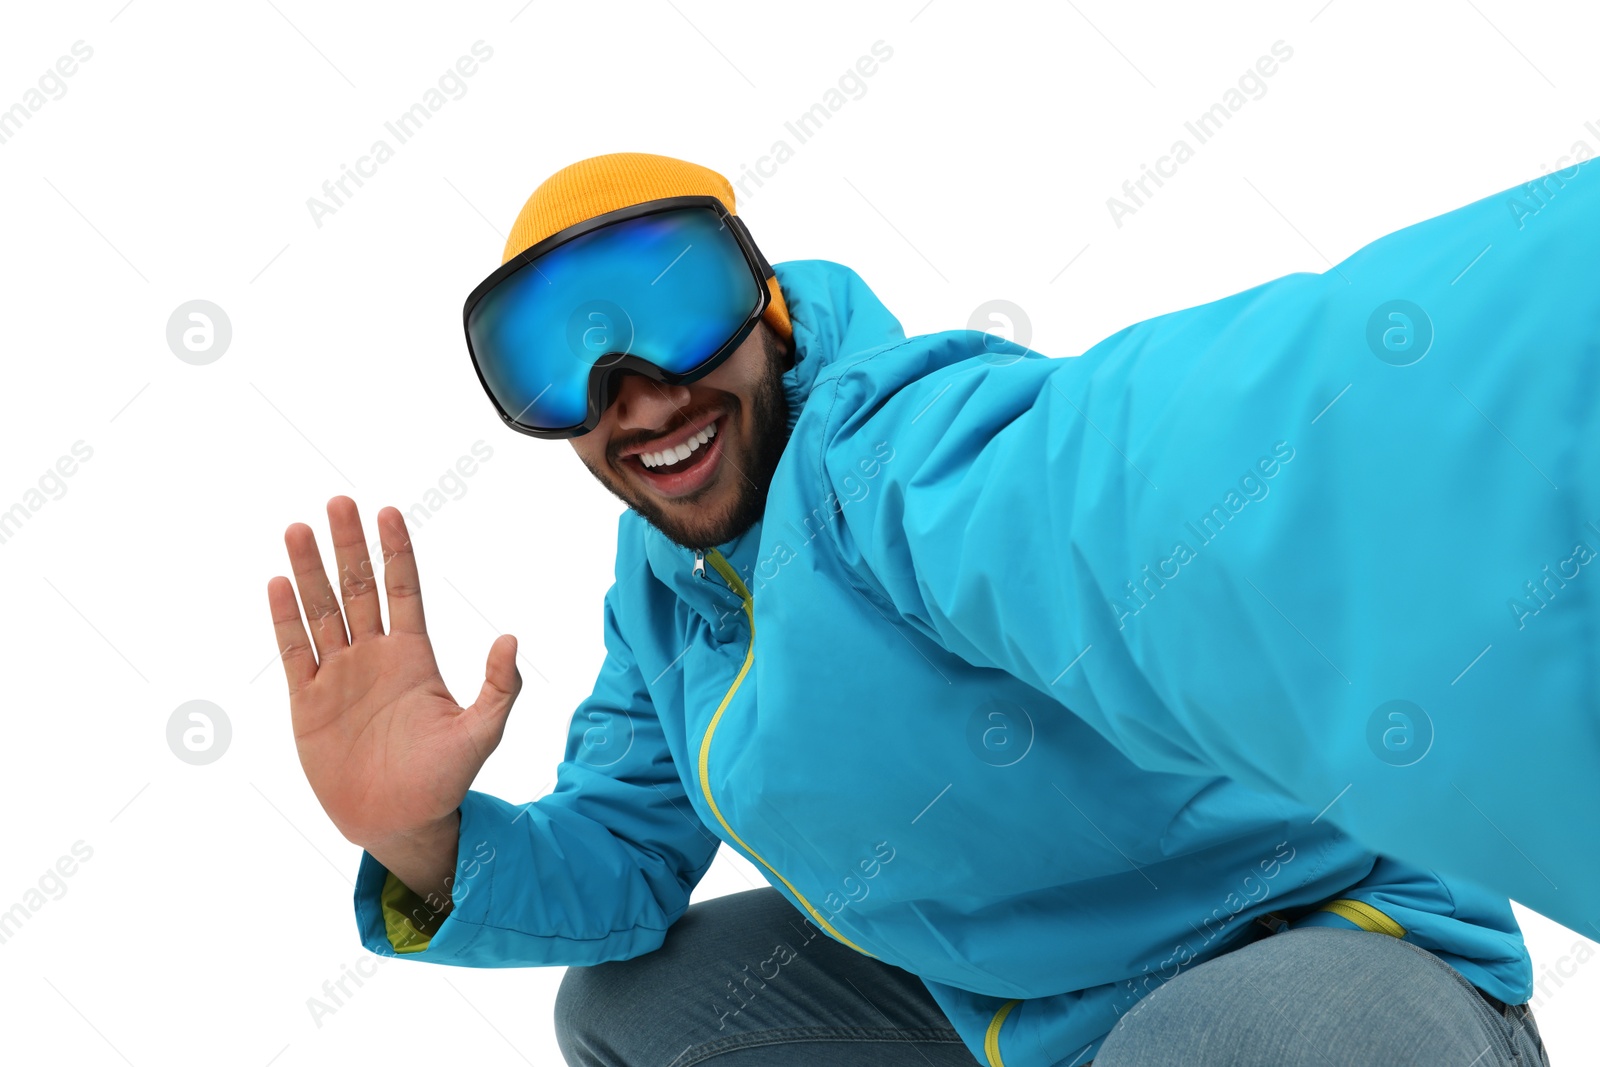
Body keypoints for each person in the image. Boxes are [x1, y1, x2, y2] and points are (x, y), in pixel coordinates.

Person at [266, 150, 1598, 1064]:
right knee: (641, 1007)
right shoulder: (664, 598)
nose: (642, 395)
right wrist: (426, 841)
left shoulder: (899, 459)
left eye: (678, 318)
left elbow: (1123, 502)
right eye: (567, 368)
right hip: (1021, 1023)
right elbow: (618, 859)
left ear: (770, 309)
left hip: (1305, 955)